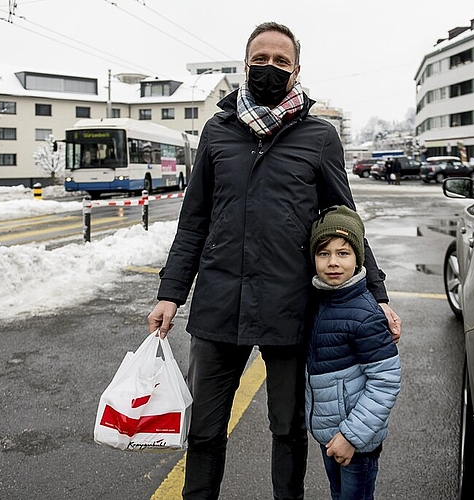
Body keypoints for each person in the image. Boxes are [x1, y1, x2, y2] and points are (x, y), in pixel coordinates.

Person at [147, 21, 402, 500]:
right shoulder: (217, 131)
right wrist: (170, 292)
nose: (269, 68)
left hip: (288, 308)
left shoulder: (319, 137)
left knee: (287, 430)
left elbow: (345, 221)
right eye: (260, 59)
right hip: (219, 306)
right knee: (204, 430)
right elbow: (194, 218)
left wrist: (377, 294)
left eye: (280, 61)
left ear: (296, 70)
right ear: (245, 65)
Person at [306, 205, 401, 500]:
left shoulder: (365, 313)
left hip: (357, 440)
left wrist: (351, 436)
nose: (333, 262)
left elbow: (386, 381)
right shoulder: (319, 302)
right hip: (329, 434)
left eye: (343, 253)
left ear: (358, 258)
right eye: (324, 254)